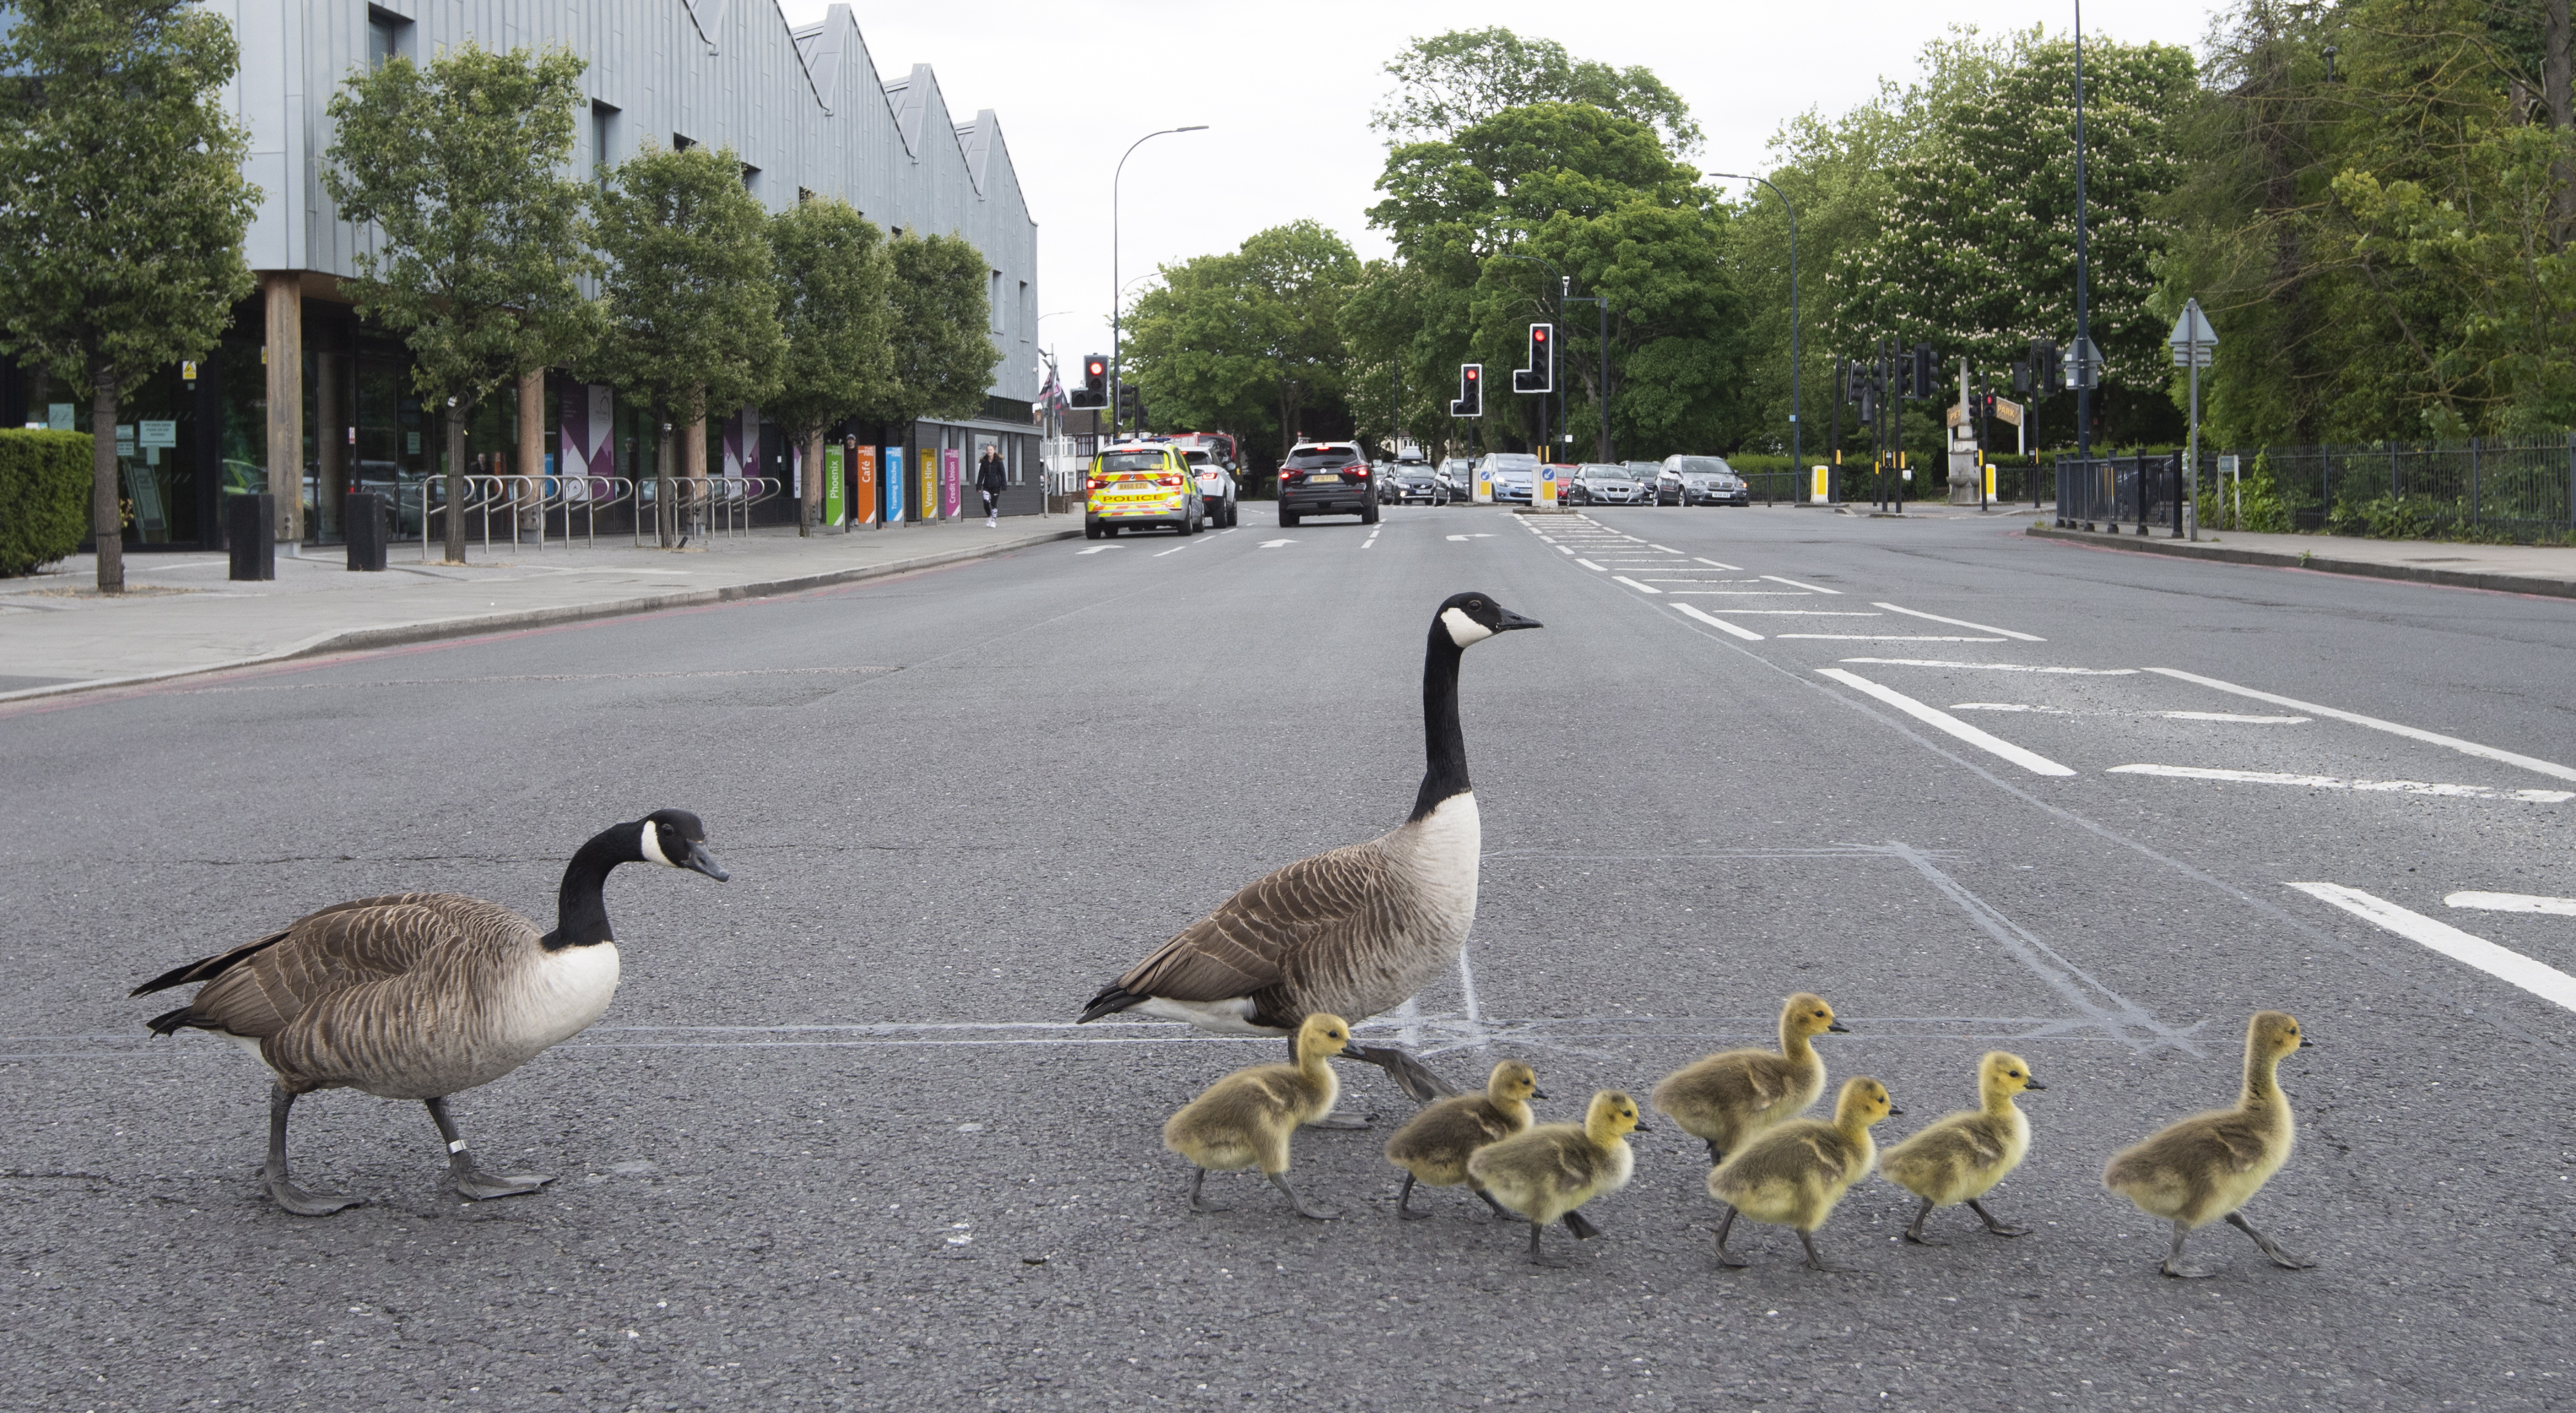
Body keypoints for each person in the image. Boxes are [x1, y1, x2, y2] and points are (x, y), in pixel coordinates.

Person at [977, 446, 1008, 527]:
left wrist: (1004, 486)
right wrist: (979, 486)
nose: (989, 451)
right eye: (988, 450)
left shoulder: (998, 461)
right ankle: (989, 516)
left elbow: (1003, 474)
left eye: (991, 450)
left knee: (994, 504)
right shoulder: (984, 461)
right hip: (987, 485)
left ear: (994, 451)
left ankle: (994, 520)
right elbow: (981, 475)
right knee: (986, 502)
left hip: (996, 486)